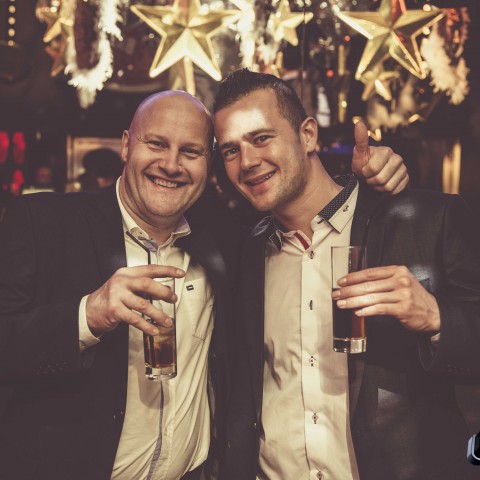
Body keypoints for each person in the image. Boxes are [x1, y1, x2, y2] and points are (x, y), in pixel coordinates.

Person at [0, 89, 405, 480]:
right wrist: (86, 316)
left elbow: (301, 197)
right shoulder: (42, 224)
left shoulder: (225, 241)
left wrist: (368, 182)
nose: (171, 164)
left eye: (191, 152)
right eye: (156, 144)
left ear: (208, 165)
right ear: (126, 146)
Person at [212, 69, 480, 480]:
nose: (247, 162)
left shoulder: (425, 220)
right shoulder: (245, 252)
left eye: (261, 138)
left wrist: (437, 318)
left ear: (307, 135)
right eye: (231, 150)